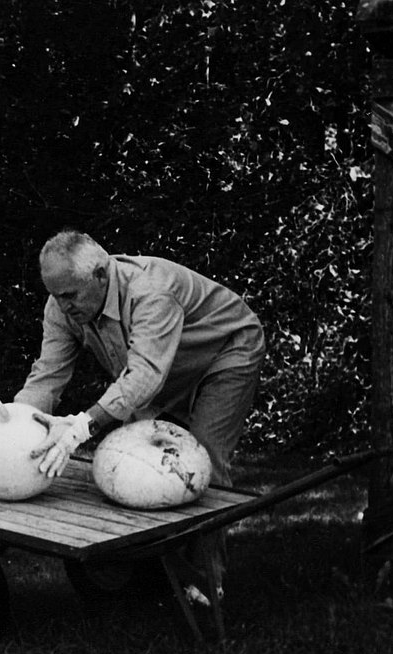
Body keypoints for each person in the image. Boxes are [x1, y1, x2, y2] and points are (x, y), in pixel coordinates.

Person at [14, 229, 266, 606]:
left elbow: (145, 375)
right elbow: (48, 374)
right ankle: (153, 572)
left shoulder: (151, 292)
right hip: (166, 368)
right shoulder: (62, 306)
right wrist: (16, 424)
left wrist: (80, 427)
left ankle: (207, 584)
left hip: (226, 352)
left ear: (102, 274)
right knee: (140, 462)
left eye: (70, 296)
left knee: (203, 461)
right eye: (55, 295)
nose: (63, 307)